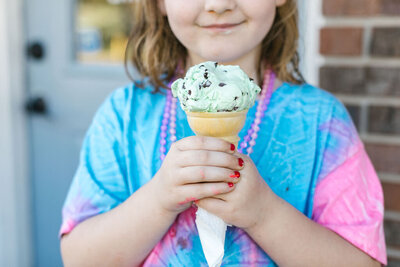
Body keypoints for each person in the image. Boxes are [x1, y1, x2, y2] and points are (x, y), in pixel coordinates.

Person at [60, 0, 387, 266]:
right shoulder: (123, 117)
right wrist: (159, 199)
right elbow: (79, 258)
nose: (217, 5)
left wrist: (263, 214)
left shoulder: (322, 123)